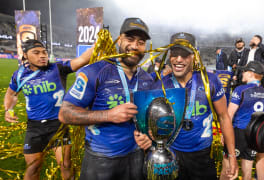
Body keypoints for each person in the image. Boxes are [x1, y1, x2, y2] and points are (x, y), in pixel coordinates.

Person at [58, 17, 154, 180]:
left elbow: (148, 118)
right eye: (130, 39)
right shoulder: (95, 71)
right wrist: (109, 115)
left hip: (136, 155)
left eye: (141, 42)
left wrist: (148, 136)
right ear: (120, 39)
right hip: (101, 158)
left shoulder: (147, 79)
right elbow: (65, 113)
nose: (135, 46)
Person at [135, 32, 238, 180]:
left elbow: (224, 117)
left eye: (185, 54)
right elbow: (148, 123)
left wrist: (232, 155)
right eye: (174, 54)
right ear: (169, 55)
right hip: (171, 155)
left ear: (194, 56)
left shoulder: (210, 81)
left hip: (203, 156)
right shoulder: (160, 85)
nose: (178, 59)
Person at [4, 39, 93, 180]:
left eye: (44, 52)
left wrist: (100, 43)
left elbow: (82, 59)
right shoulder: (19, 75)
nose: (43, 55)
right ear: (25, 55)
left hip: (58, 124)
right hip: (34, 128)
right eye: (36, 52)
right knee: (34, 167)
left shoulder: (58, 68)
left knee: (65, 164)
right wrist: (8, 109)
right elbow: (11, 93)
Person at [220, 61, 264, 180]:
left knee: (227, 167)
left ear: (251, 73)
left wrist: (224, 134)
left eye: (245, 71)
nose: (242, 73)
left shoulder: (240, 90)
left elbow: (229, 114)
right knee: (247, 170)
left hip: (238, 132)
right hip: (254, 134)